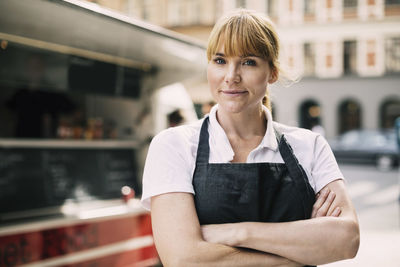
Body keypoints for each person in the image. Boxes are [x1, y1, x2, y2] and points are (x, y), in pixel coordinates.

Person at [141, 9, 359, 267]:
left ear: (273, 72)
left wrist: (238, 232)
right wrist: (298, 254)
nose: (231, 76)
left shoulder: (309, 147)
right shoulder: (173, 145)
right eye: (220, 61)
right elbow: (183, 258)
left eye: (248, 62)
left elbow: (347, 239)